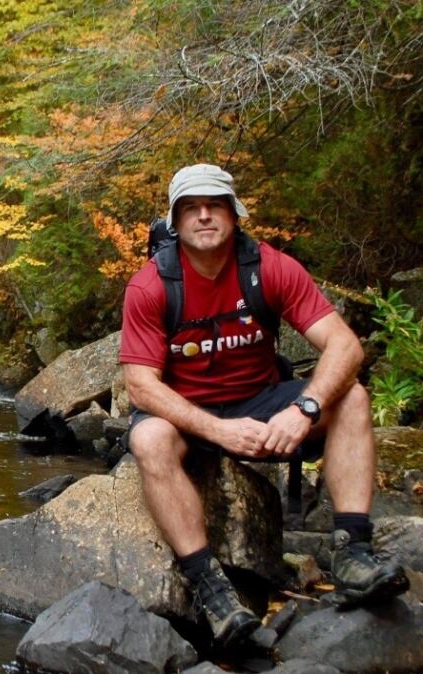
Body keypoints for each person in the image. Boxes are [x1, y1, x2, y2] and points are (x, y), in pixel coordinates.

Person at [119, 163, 409, 648]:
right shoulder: (151, 286)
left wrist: (304, 410)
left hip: (262, 400)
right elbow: (142, 387)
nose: (205, 216)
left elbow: (345, 347)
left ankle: (353, 553)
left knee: (352, 396)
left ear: (235, 214)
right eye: (192, 208)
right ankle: (210, 586)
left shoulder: (270, 268)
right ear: (175, 221)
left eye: (215, 205)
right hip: (189, 412)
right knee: (147, 436)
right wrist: (218, 431)